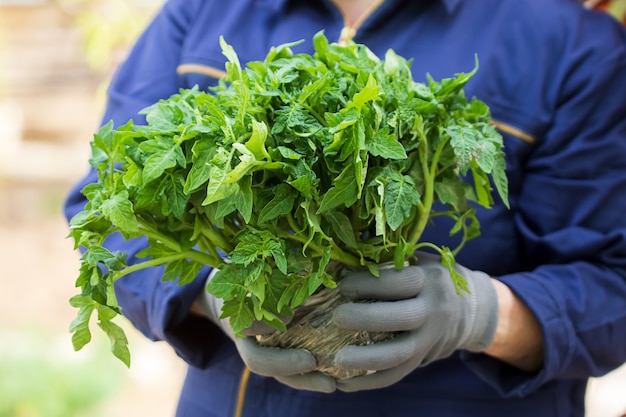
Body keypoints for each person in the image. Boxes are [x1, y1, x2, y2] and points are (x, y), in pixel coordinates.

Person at [63, 0, 626, 416]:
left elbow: (613, 289)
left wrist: (477, 315)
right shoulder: (204, 11)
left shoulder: (572, 43)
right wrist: (211, 295)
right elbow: (107, 210)